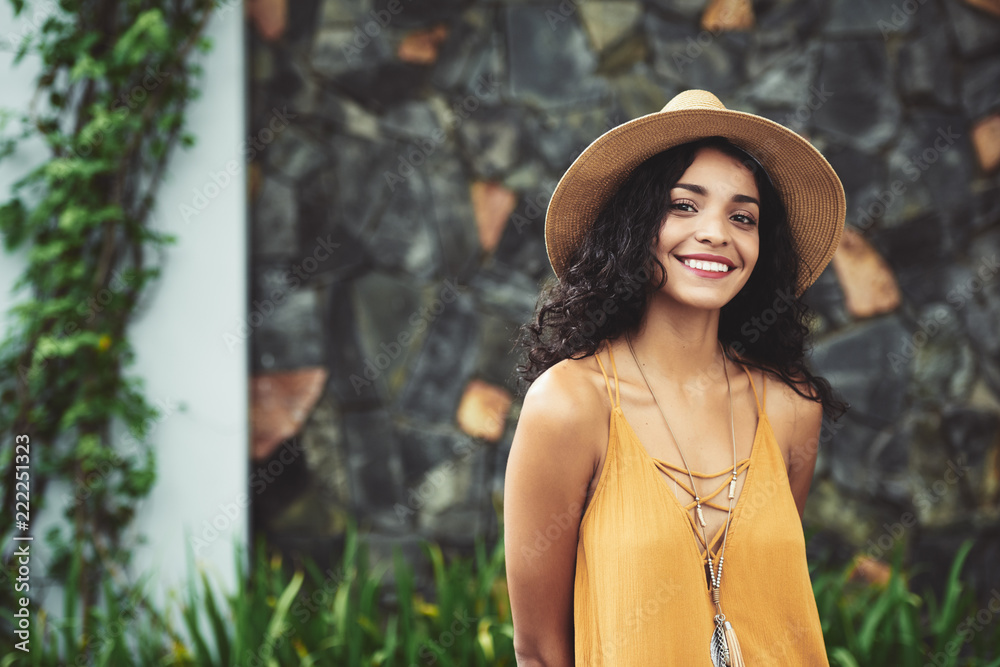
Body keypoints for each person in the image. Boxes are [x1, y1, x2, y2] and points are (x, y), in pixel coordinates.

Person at [503, 89, 850, 666]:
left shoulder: (790, 406)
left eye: (743, 217)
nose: (717, 232)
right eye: (683, 206)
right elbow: (539, 651)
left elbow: (766, 592)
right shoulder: (569, 405)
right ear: (633, 226)